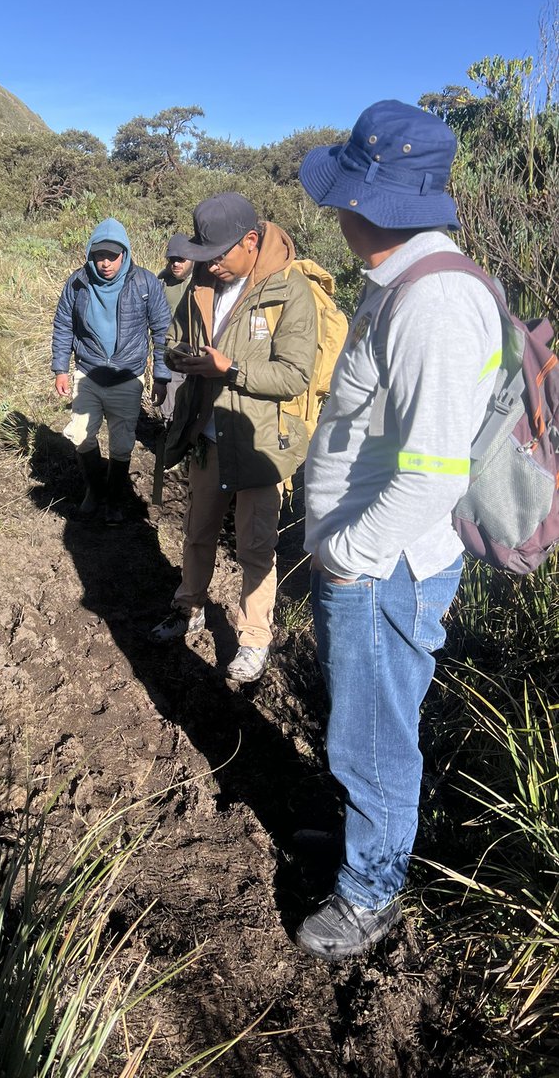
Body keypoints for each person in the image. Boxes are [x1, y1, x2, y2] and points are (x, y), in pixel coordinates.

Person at [294, 100, 502, 960]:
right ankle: (362, 841)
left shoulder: (436, 306)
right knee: (364, 720)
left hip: (387, 568)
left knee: (375, 733)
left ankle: (371, 890)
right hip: (374, 561)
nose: (332, 208)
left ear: (372, 202)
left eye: (343, 190)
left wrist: (348, 556)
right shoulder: (409, 288)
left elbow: (432, 473)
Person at [150, 193, 317, 681]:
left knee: (255, 546)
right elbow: (176, 338)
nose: (212, 266)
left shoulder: (289, 291)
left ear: (250, 241)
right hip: (206, 437)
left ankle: (254, 639)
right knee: (197, 534)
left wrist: (232, 368)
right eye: (205, 256)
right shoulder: (203, 283)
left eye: (219, 255)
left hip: (260, 444)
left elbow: (294, 376)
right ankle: (188, 609)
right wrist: (181, 358)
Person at [51, 217, 171, 524]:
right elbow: (64, 325)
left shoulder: (145, 283)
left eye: (112, 256)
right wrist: (60, 368)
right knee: (80, 435)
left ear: (125, 253)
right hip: (88, 373)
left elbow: (161, 331)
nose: (105, 263)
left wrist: (160, 375)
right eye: (98, 255)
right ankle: (95, 489)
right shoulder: (77, 282)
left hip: (127, 375)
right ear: (90, 254)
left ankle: (115, 497)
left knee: (121, 442)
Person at [156, 233, 194, 421]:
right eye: (172, 259)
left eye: (181, 259)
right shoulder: (163, 280)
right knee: (170, 410)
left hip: (197, 353)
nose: (176, 264)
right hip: (171, 353)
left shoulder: (204, 280)